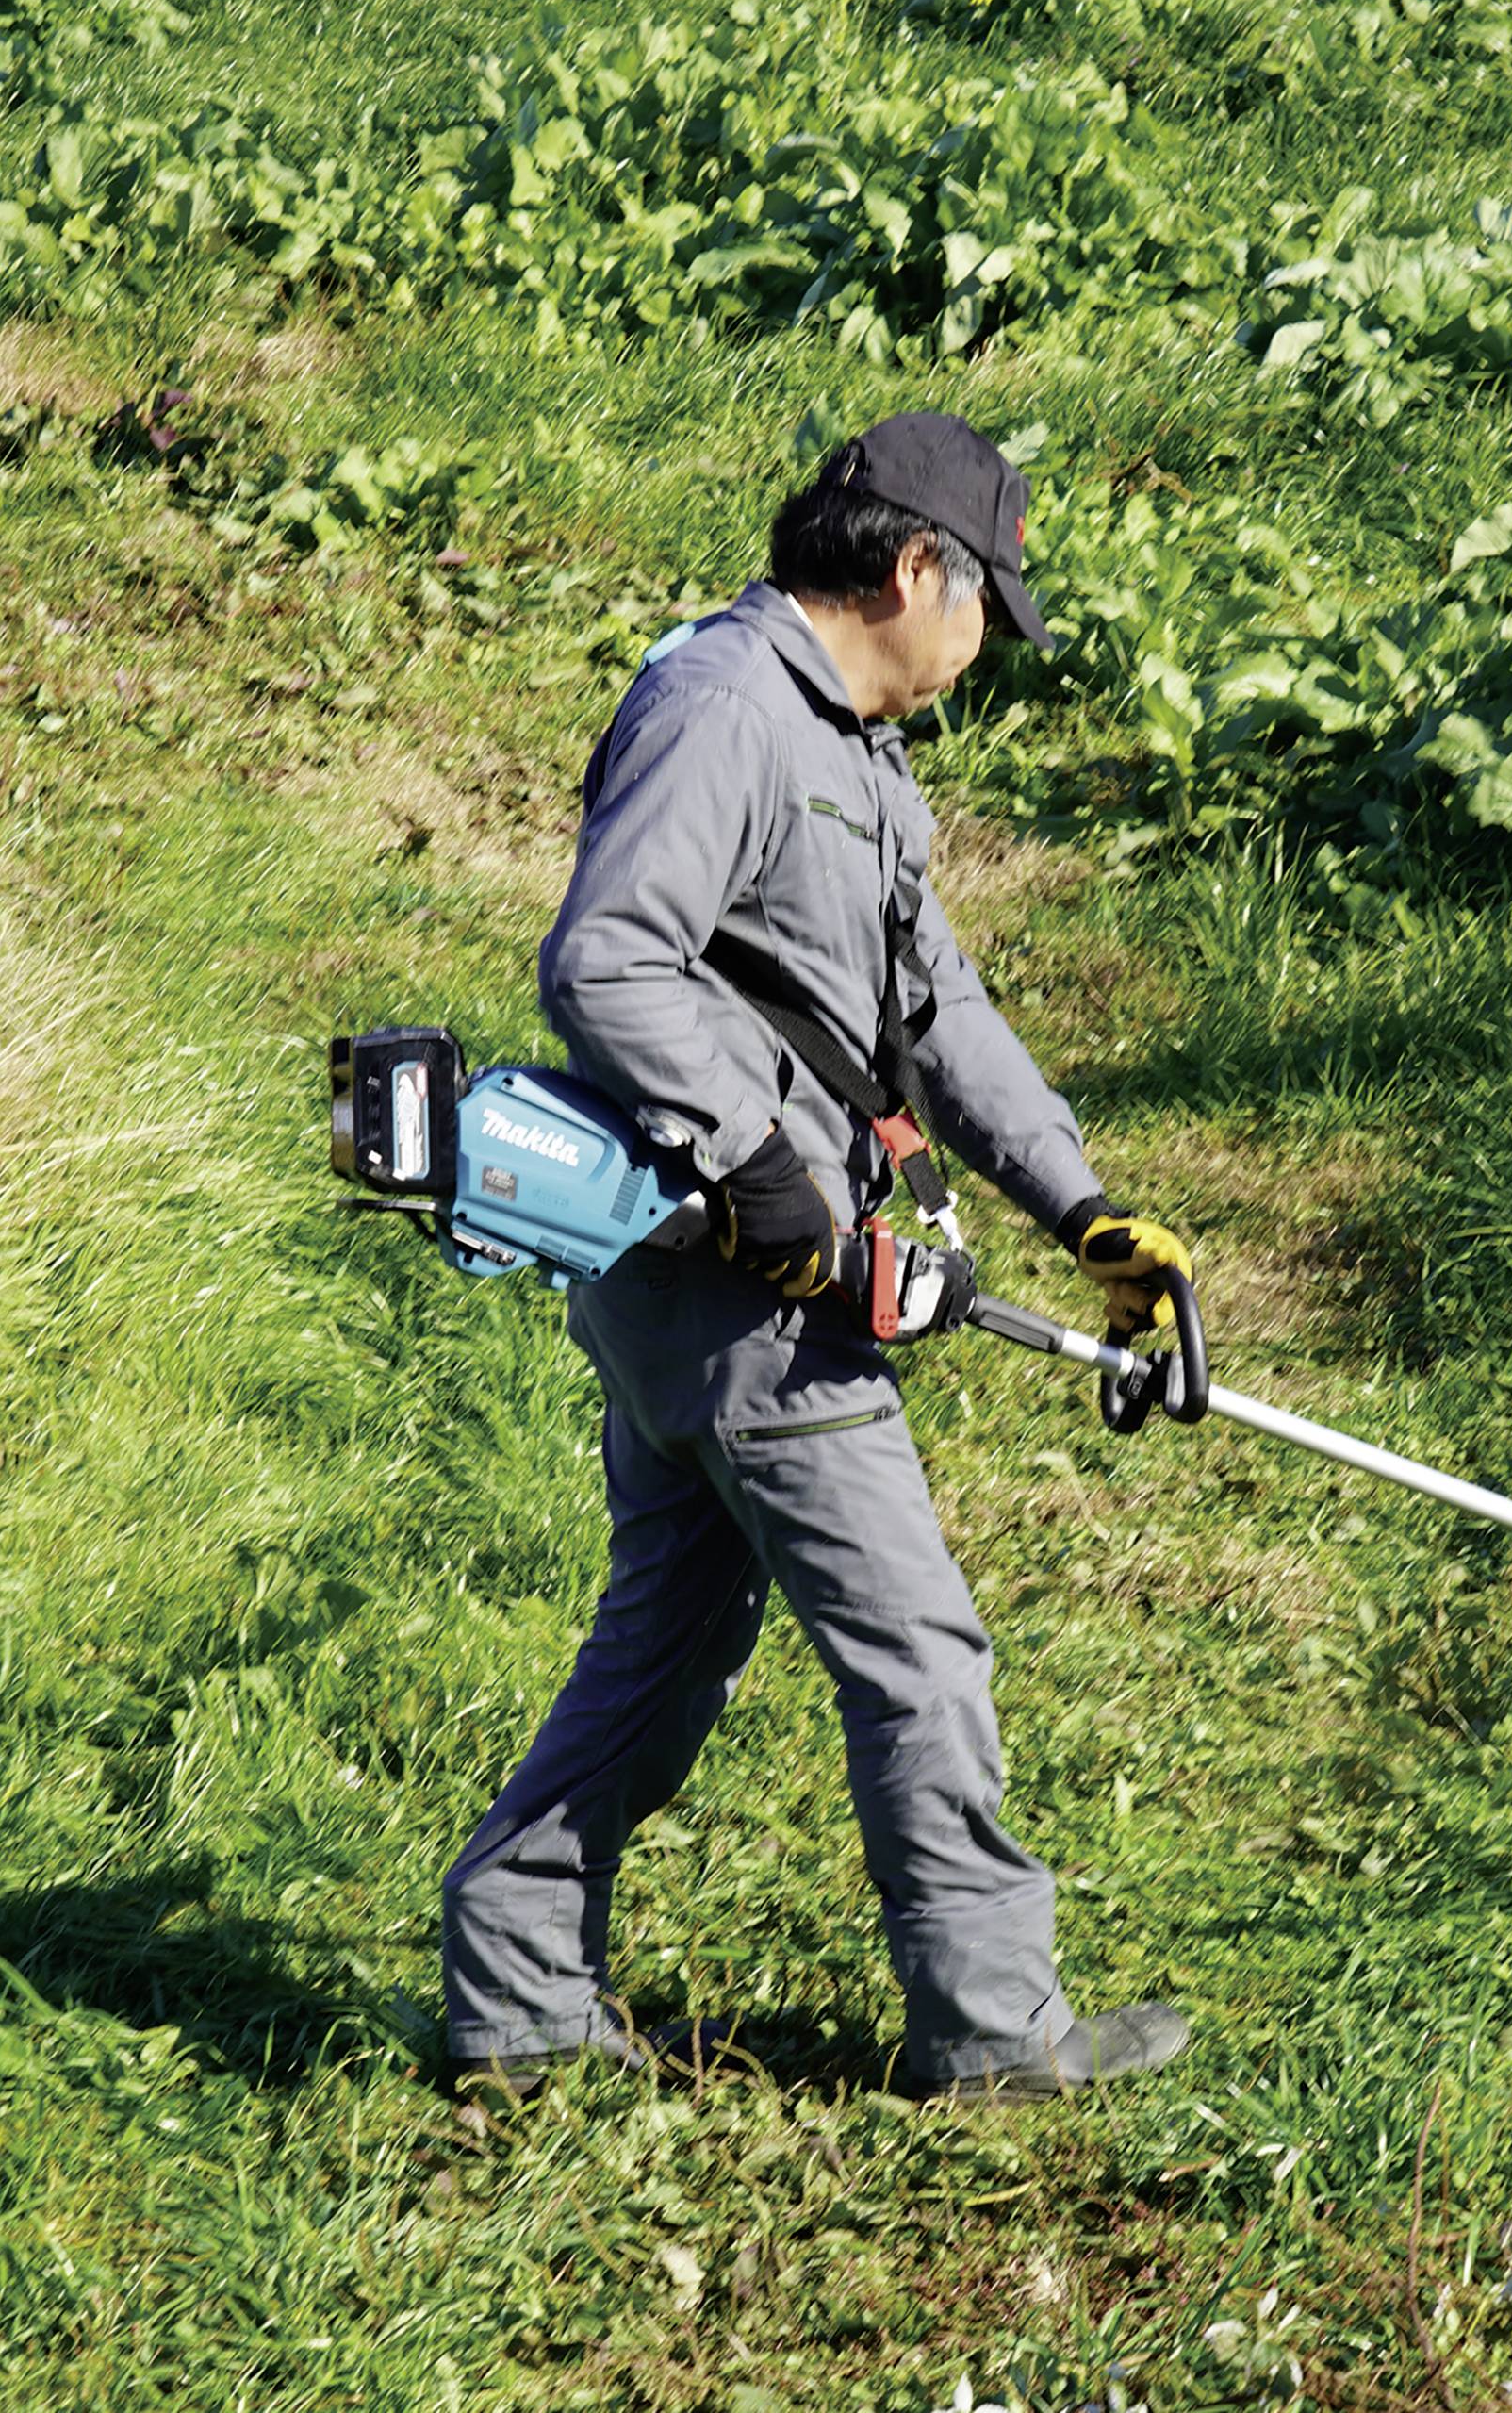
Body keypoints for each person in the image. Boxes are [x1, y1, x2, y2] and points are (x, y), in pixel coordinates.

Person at [438, 413, 1194, 2103]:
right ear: (917, 568)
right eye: (986, 604)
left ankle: (514, 1978)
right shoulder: (727, 708)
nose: (984, 646)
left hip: (711, 1299)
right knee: (920, 1652)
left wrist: (1081, 1208)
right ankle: (993, 2031)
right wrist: (768, 1174)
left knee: (666, 1643)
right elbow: (606, 961)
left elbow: (936, 1013)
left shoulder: (853, 748)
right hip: (738, 1288)